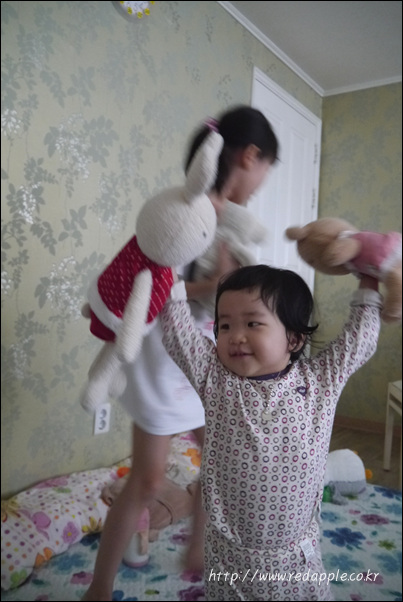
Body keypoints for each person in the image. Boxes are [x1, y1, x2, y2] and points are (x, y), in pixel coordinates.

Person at [82, 105, 279, 601]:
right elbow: (156, 280)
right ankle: (99, 586)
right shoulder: (187, 210)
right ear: (249, 156)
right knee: (147, 480)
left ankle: (197, 548)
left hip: (201, 356)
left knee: (221, 457)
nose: (261, 184)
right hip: (161, 357)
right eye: (265, 170)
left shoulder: (232, 221)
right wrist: (214, 285)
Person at [160, 264, 382, 601]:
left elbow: (358, 343)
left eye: (252, 323)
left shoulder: (319, 382)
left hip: (295, 559)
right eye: (224, 325)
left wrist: (369, 279)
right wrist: (166, 272)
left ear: (293, 338)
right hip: (229, 559)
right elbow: (179, 335)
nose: (236, 336)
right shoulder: (215, 379)